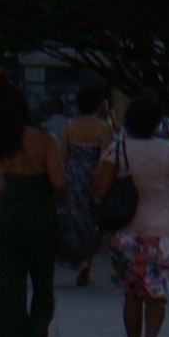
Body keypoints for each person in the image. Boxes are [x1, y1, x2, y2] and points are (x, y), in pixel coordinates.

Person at [0, 72, 63, 337]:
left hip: (7, 212)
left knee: (6, 286)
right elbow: (58, 181)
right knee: (43, 282)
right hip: (40, 213)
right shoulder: (44, 140)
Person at [99, 105, 169, 337]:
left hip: (127, 231)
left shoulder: (117, 149)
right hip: (163, 231)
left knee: (132, 295)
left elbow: (100, 188)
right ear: (156, 125)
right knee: (157, 293)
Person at [57, 84, 120, 292]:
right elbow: (106, 156)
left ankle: (81, 262)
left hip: (74, 176)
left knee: (77, 220)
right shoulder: (104, 128)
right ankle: (94, 263)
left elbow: (63, 156)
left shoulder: (69, 126)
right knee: (95, 222)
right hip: (95, 175)